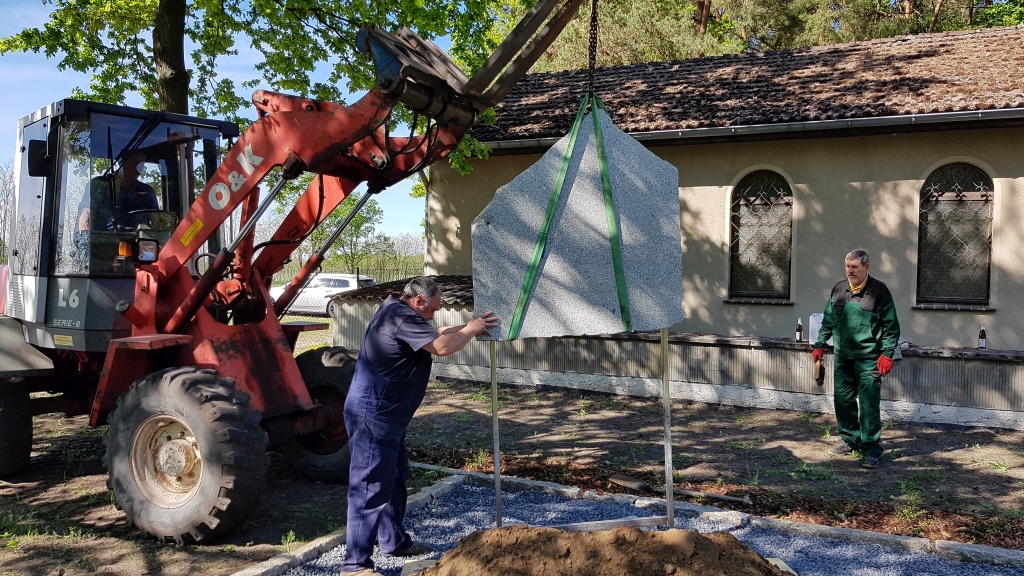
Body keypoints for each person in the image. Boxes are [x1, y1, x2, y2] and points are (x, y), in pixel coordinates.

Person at [342, 277, 499, 576]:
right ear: (418, 302)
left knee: (394, 476)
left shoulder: (398, 312)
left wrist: (470, 324)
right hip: (374, 417)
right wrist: (469, 330)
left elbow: (437, 333)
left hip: (387, 417)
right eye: (432, 310)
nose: (433, 316)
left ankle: (393, 542)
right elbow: (440, 346)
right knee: (369, 487)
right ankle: (354, 565)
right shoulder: (401, 318)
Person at [812, 249, 900, 469]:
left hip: (869, 358)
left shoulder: (879, 291)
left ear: (866, 267)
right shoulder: (839, 289)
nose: (850, 271)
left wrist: (887, 354)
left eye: (855, 267)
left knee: (869, 404)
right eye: (847, 267)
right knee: (843, 400)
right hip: (843, 357)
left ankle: (871, 449)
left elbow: (891, 326)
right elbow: (829, 320)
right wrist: (820, 344)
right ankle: (850, 440)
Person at [78, 150, 159, 232]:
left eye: (141, 165)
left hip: (140, 242)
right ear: (123, 162)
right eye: (133, 162)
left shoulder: (147, 191)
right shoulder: (99, 186)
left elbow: (157, 222)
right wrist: (89, 238)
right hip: (105, 241)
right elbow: (85, 219)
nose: (138, 168)